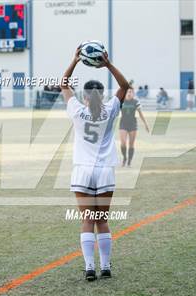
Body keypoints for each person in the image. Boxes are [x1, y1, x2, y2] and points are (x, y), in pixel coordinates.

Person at [60, 47, 129, 281]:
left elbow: (63, 84)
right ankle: (106, 266)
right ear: (102, 95)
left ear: (85, 97)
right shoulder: (110, 109)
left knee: (87, 220)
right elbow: (124, 86)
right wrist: (107, 64)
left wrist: (75, 59)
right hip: (104, 172)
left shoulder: (78, 110)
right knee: (102, 220)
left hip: (82, 171)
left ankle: (90, 268)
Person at [119, 87, 150, 167]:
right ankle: (124, 158)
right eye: (128, 92)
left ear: (133, 93)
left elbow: (140, 114)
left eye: (131, 92)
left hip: (133, 124)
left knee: (131, 144)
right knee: (123, 143)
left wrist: (146, 124)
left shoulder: (135, 102)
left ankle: (129, 161)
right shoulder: (121, 101)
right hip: (123, 124)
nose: (129, 93)